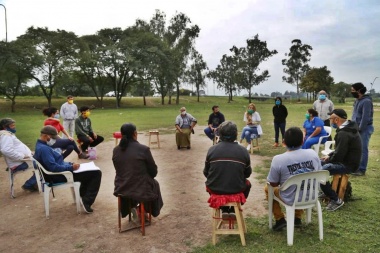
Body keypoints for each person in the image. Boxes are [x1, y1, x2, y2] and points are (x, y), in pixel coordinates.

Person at [34, 126, 102, 213]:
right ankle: (87, 201)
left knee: (89, 170)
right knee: (96, 173)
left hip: (61, 172)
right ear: (46, 136)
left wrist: (70, 164)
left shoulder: (41, 145)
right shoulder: (44, 149)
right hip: (59, 175)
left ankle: (82, 195)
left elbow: (57, 162)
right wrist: (70, 167)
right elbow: (53, 167)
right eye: (51, 138)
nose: (53, 140)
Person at [265, 127, 322, 231]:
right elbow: (320, 173)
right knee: (301, 188)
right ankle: (297, 218)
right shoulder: (313, 153)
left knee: (267, 188)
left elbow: (272, 183)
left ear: (284, 142)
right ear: (302, 141)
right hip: (312, 195)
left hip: (290, 198)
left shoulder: (278, 159)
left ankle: (280, 219)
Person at [113, 123, 163, 218]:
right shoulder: (143, 149)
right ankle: (144, 210)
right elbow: (153, 172)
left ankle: (133, 207)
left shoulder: (116, 150)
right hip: (140, 188)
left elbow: (119, 169)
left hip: (121, 187)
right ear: (135, 134)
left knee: (132, 182)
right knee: (154, 184)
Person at [204, 121, 252, 215]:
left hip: (215, 188)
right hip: (237, 188)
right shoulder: (243, 151)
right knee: (248, 184)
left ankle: (223, 208)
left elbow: (206, 173)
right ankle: (234, 209)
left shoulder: (212, 150)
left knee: (209, 183)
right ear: (236, 134)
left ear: (220, 134)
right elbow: (247, 173)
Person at [320, 109, 362, 211]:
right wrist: (329, 155)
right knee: (318, 163)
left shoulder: (344, 133)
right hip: (346, 160)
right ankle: (326, 191)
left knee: (320, 171)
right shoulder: (349, 128)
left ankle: (336, 200)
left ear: (336, 119)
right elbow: (340, 149)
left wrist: (329, 160)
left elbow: (339, 155)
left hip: (348, 164)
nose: (329, 120)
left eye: (330, 119)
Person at [0, 118, 38, 192]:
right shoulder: (5, 135)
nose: (14, 127)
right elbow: (6, 150)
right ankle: (29, 184)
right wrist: (22, 156)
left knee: (42, 162)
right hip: (19, 163)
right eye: (12, 125)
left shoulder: (7, 134)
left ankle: (35, 182)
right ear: (5, 127)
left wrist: (29, 154)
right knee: (44, 164)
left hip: (21, 161)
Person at [350, 83, 374, 176]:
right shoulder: (357, 100)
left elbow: (365, 118)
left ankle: (361, 169)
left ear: (359, 91)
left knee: (363, 149)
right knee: (356, 149)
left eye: (353, 90)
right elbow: (354, 114)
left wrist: (359, 129)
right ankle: (355, 167)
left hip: (364, 128)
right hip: (355, 128)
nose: (352, 92)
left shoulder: (366, 101)